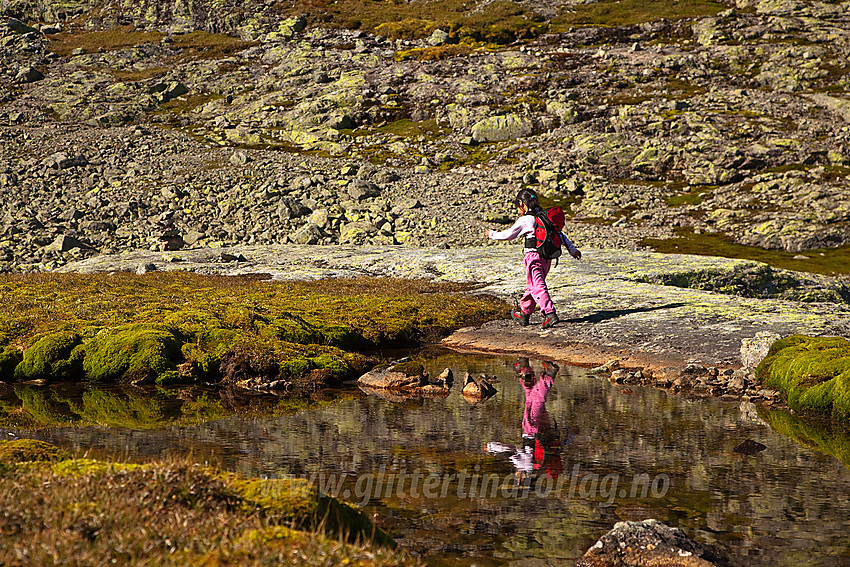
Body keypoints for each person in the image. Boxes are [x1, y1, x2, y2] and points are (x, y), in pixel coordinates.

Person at [485, 188, 581, 329]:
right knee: (533, 286)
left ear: (521, 203)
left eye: (518, 207)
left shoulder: (525, 220)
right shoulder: (544, 218)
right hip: (547, 258)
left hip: (533, 258)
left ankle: (550, 314)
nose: (519, 210)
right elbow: (560, 235)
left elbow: (508, 235)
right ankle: (524, 314)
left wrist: (492, 234)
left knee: (538, 286)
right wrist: (572, 250)